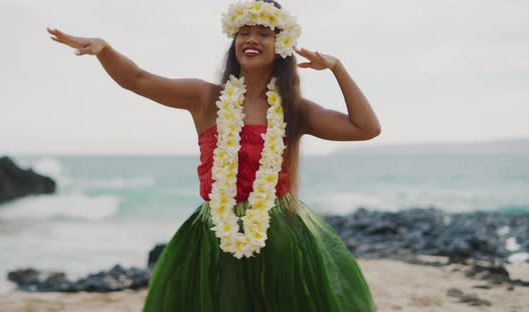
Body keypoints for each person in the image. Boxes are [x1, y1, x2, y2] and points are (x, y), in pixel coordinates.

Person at [47, 0, 381, 310]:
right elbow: (137, 79)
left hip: (280, 234)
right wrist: (104, 50)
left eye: (263, 33)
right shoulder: (205, 98)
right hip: (212, 237)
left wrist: (337, 67)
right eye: (243, 32)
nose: (251, 39)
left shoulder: (295, 110)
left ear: (281, 45)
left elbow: (366, 128)